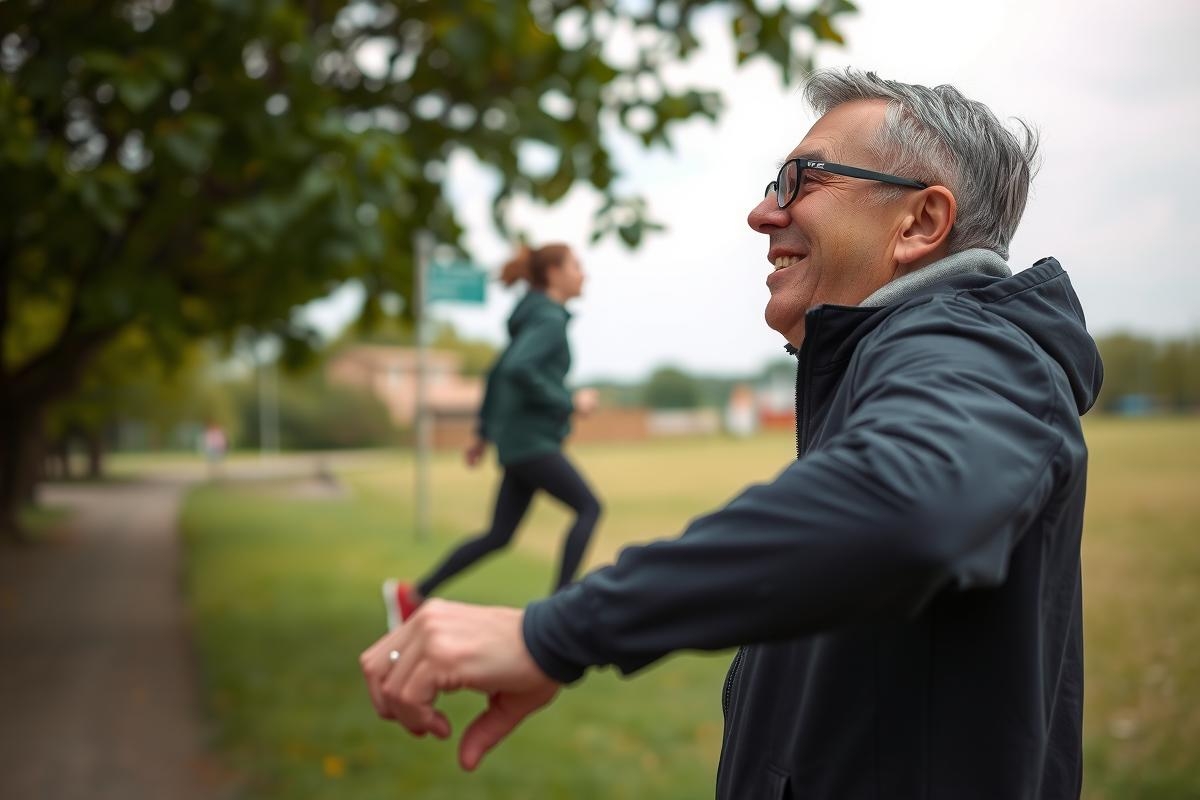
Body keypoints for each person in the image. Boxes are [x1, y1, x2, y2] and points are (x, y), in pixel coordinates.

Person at [361, 69, 1103, 799]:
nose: (761, 214)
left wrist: (553, 634)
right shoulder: (898, 360)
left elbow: (911, 504)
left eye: (800, 181)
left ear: (920, 223)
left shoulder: (975, 352)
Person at [383, 243, 603, 629]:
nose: (583, 273)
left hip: (519, 444)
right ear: (553, 274)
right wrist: (570, 400)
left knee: (499, 535)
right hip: (533, 444)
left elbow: (496, 372)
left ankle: (412, 595)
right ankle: (559, 610)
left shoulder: (531, 318)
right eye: (576, 266)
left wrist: (483, 432)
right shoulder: (549, 320)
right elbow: (518, 369)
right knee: (589, 508)